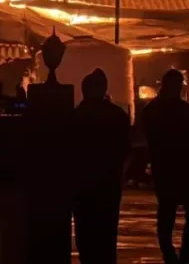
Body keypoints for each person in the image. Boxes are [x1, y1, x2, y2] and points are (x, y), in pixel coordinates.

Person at [141, 70, 189, 264]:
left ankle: (170, 254)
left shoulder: (151, 109)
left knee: (167, 213)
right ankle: (186, 253)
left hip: (164, 167)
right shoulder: (181, 108)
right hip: (181, 166)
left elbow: (146, 137)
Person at [72, 69, 131, 264]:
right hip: (108, 184)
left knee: (86, 234)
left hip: (83, 185)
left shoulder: (77, 116)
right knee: (106, 235)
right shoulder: (117, 115)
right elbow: (126, 150)